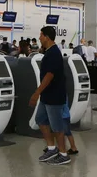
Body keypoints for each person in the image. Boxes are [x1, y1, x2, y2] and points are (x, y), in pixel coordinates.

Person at [30, 26, 70, 165]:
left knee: (57, 126)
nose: (39, 38)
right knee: (40, 119)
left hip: (54, 95)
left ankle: (64, 154)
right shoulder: (48, 52)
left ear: (46, 37)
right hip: (47, 96)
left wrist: (36, 93)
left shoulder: (54, 53)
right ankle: (52, 148)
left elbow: (49, 75)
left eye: (41, 35)